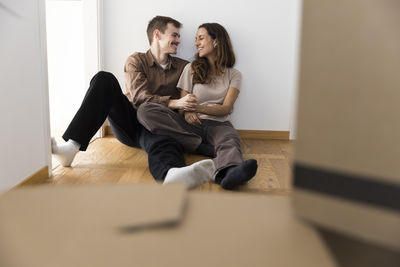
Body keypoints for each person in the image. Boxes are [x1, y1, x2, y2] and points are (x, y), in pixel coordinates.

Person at [51, 16, 216, 189]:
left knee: (163, 139)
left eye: (179, 37)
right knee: (104, 78)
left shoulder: (184, 67)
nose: (178, 40)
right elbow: (140, 97)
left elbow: (192, 93)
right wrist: (176, 103)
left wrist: (188, 109)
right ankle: (72, 145)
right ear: (157, 35)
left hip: (161, 125)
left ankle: (171, 173)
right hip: (131, 123)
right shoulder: (136, 61)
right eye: (174, 35)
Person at [137, 23, 258, 190]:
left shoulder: (234, 75)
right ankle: (200, 146)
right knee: (146, 110)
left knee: (230, 139)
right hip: (190, 125)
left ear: (216, 41)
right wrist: (186, 113)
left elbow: (226, 108)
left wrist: (196, 108)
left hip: (219, 124)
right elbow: (182, 105)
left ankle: (228, 174)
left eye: (201, 38)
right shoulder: (191, 68)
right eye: (196, 39)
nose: (196, 43)